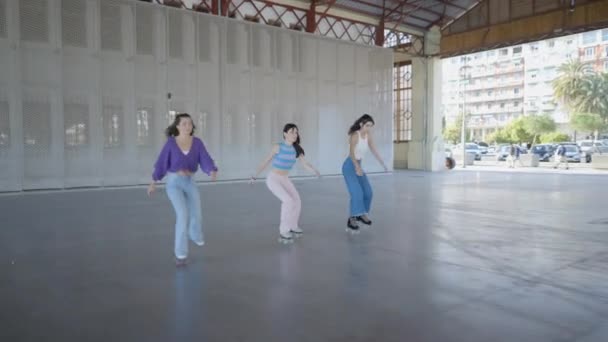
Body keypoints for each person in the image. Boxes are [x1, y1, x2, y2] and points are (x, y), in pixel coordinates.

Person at [147, 113, 218, 266]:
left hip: (190, 181)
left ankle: (195, 234)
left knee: (197, 213)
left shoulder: (197, 143)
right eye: (184, 123)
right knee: (182, 215)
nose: (188, 126)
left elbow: (205, 158)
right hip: (174, 183)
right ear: (177, 126)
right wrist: (153, 182)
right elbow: (161, 163)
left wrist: (211, 170)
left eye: (190, 124)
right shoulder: (171, 144)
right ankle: (180, 254)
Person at [250, 123, 321, 244]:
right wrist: (254, 176)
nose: (294, 134)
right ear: (285, 134)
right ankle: (284, 231)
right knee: (288, 200)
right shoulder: (278, 147)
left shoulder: (297, 149)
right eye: (292, 132)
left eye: (296, 132)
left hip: (285, 179)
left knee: (297, 200)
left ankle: (293, 226)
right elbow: (266, 161)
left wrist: (314, 171)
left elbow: (305, 164)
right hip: (273, 179)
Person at [342, 114, 388, 234]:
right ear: (361, 124)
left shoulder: (368, 135)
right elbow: (351, 153)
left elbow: (373, 149)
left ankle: (361, 214)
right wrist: (357, 166)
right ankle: (352, 219)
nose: (369, 128)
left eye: (371, 126)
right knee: (356, 193)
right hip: (349, 166)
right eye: (367, 125)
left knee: (368, 192)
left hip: (359, 165)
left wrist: (382, 162)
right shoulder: (355, 136)